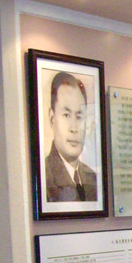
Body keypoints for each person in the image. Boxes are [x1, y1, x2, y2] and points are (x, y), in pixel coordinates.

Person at [44, 71, 97, 202]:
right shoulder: (45, 177)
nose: (74, 128)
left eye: (79, 117)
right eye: (66, 115)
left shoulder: (93, 179)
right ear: (52, 118)